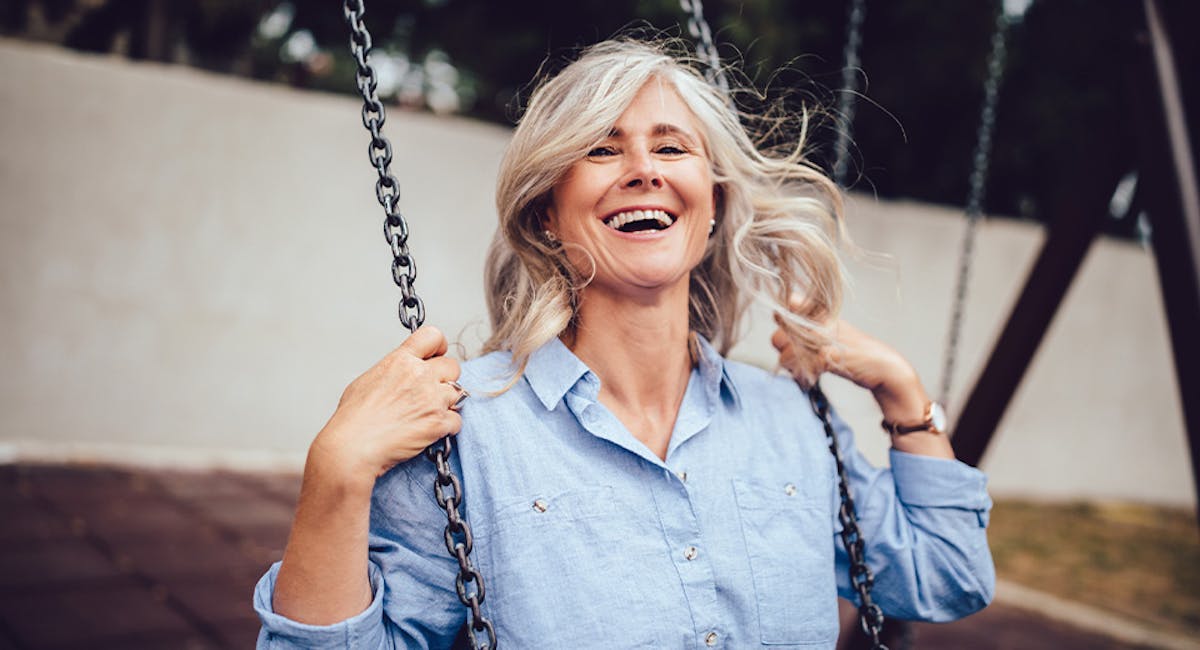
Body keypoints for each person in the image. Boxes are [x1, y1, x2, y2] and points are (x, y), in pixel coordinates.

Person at [253, 39, 994, 649]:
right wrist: (336, 473)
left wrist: (902, 393)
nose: (644, 170)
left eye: (671, 147)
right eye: (603, 151)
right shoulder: (463, 433)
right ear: (547, 211)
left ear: (712, 207)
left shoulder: (792, 421)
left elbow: (947, 575)